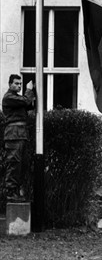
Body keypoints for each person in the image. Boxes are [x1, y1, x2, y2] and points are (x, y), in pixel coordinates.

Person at [2, 74, 35, 202]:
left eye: (20, 84)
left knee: (20, 164)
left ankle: (15, 191)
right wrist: (29, 90)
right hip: (13, 134)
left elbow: (29, 105)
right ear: (10, 84)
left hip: (20, 134)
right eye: (16, 83)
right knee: (14, 163)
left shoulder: (17, 98)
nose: (19, 86)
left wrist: (32, 92)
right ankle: (11, 192)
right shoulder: (9, 97)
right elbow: (26, 101)